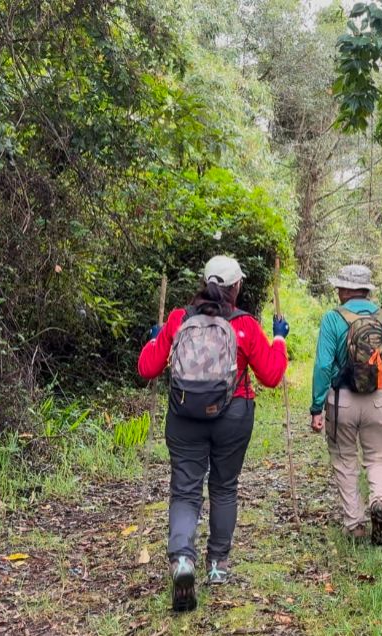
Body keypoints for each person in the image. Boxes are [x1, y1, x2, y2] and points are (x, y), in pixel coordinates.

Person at [138, 255, 289, 612]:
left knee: (185, 490)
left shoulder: (179, 319)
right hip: (233, 415)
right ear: (236, 288)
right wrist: (279, 340)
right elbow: (271, 375)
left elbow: (147, 368)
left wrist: (156, 339)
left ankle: (182, 561)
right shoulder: (246, 326)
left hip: (184, 414)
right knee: (224, 487)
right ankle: (218, 566)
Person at [310, 264, 382, 546]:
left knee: (345, 460)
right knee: (378, 457)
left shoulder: (332, 319)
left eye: (339, 286)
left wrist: (317, 407)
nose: (337, 290)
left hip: (342, 401)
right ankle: (378, 499)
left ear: (345, 290)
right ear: (367, 290)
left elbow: (323, 365)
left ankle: (355, 525)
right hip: (378, 398)